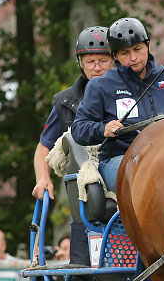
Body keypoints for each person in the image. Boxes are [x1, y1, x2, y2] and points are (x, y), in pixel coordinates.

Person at [71, 16, 164, 192]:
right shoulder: (100, 85)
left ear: (148, 45)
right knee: (156, 175)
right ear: (115, 56)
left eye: (137, 49)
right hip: (121, 159)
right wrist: (103, 129)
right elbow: (79, 129)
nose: (133, 58)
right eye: (124, 53)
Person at [33, 25, 115, 267]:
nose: (97, 67)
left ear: (114, 61)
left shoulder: (126, 94)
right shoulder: (65, 102)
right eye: (91, 61)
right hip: (84, 195)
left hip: (124, 184)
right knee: (80, 266)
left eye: (103, 60)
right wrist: (42, 179)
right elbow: (42, 149)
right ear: (81, 62)